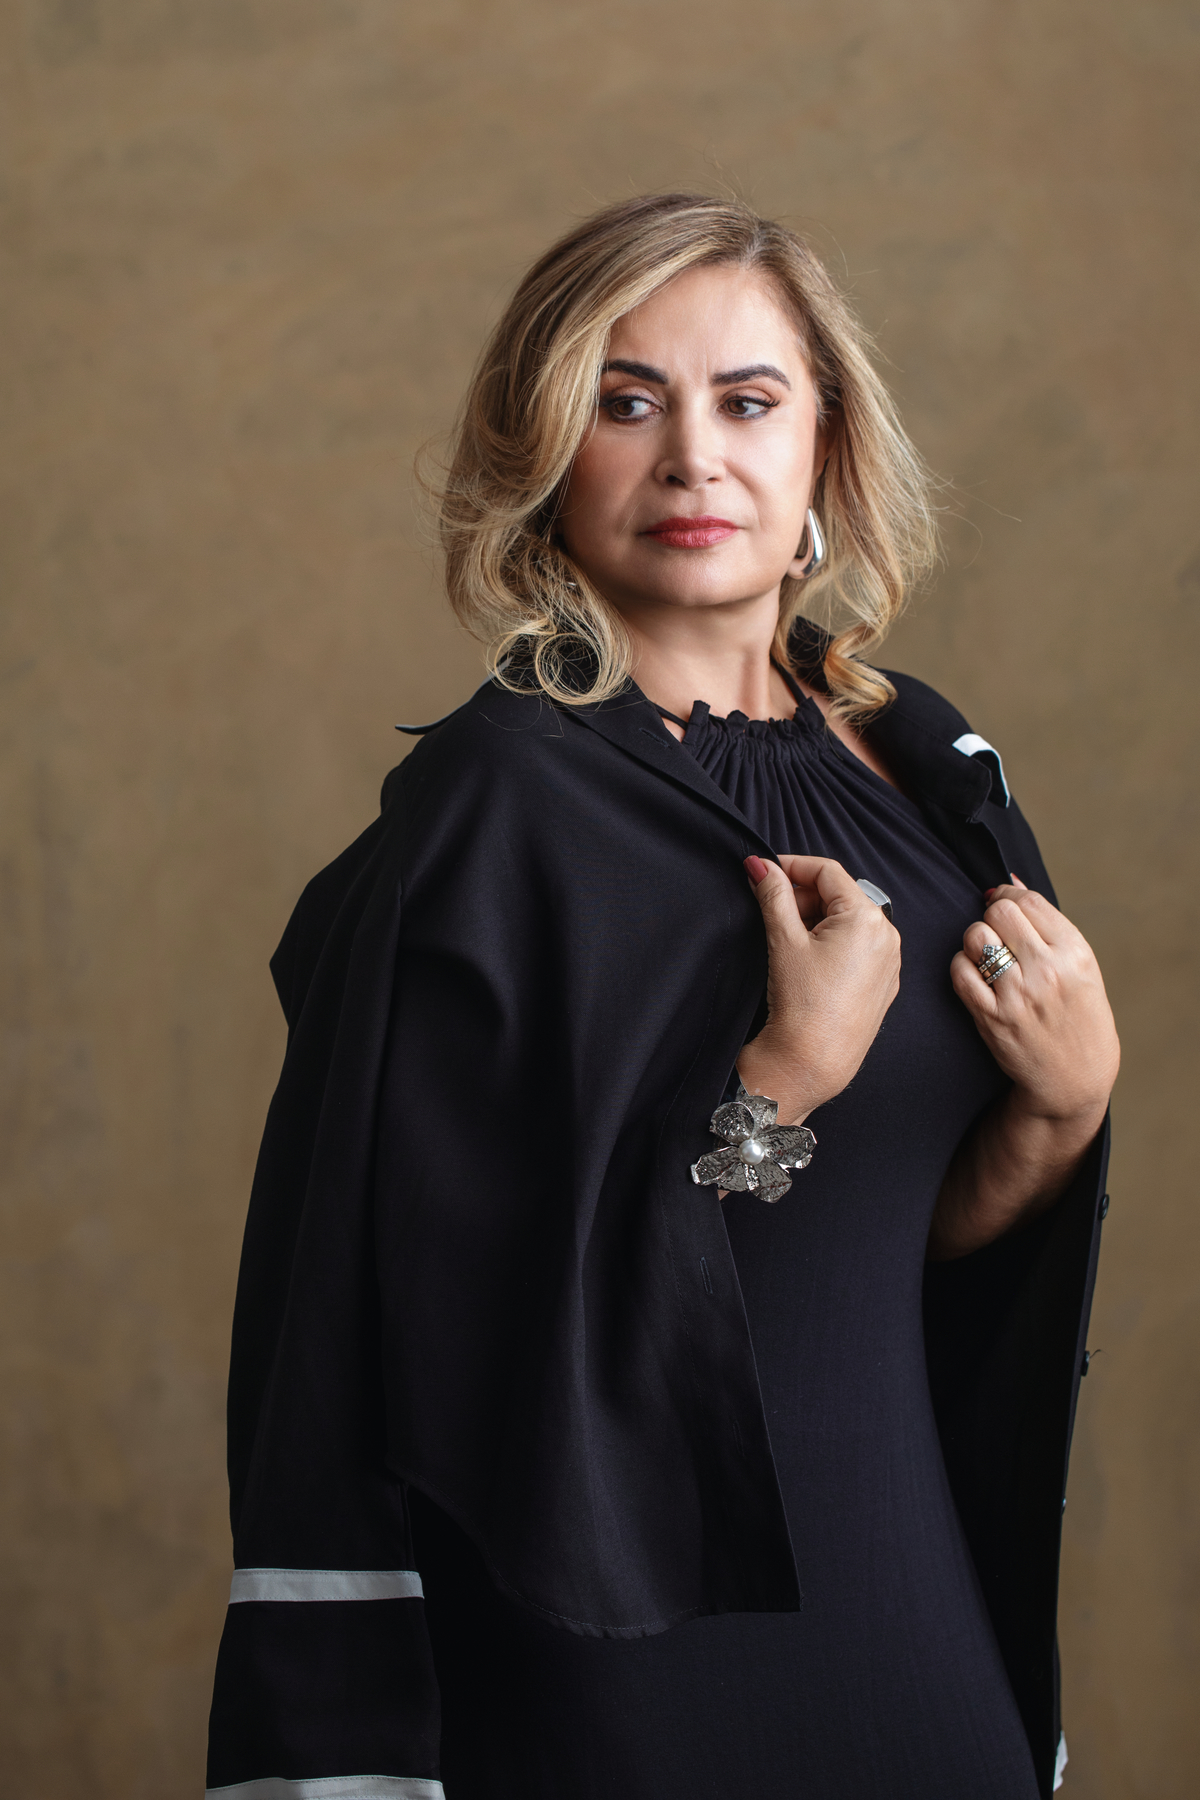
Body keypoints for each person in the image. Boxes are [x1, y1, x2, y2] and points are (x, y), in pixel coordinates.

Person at [205, 194, 1119, 1800]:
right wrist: (778, 1083)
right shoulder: (497, 817)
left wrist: (1063, 1109)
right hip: (624, 1648)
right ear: (547, 457)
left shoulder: (930, 778)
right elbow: (459, 1318)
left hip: (910, 1614)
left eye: (748, 402)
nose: (695, 458)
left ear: (825, 444)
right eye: (626, 404)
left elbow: (887, 1251)